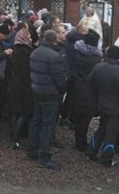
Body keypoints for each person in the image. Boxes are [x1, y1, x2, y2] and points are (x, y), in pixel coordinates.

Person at [26, 30, 67, 170]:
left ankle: (32, 150)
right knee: (47, 125)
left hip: (37, 91)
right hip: (50, 94)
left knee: (36, 122)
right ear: (55, 40)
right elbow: (60, 79)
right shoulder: (55, 57)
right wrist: (62, 90)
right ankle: (45, 156)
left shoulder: (35, 52)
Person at [87, 45, 119, 167]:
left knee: (101, 128)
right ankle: (106, 158)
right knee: (111, 133)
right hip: (116, 107)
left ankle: (91, 151)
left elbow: (90, 81)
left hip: (102, 104)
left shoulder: (98, 67)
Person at [69, 30, 102, 153]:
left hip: (77, 86)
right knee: (85, 117)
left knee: (78, 115)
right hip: (90, 89)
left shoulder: (77, 54)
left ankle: (78, 140)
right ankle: (81, 142)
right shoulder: (96, 59)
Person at [7, 28, 33, 149]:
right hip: (24, 85)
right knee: (23, 112)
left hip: (14, 83)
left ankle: (13, 135)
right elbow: (26, 71)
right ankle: (15, 138)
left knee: (15, 111)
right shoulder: (26, 52)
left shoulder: (15, 49)